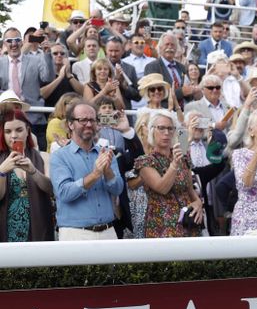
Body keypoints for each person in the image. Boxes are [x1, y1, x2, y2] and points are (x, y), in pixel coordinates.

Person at [49, 100, 124, 240]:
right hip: (75, 233)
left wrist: (108, 173)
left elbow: (118, 189)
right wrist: (95, 175)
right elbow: (64, 193)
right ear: (70, 124)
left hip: (108, 231)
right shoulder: (59, 156)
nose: (89, 124)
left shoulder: (106, 153)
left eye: (92, 120)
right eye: (83, 120)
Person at [134, 110, 205, 238]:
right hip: (162, 228)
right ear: (151, 131)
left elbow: (190, 189)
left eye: (170, 128)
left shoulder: (183, 156)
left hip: (188, 225)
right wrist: (174, 165)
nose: (166, 133)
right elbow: (162, 188)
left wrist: (198, 203)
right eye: (161, 128)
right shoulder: (145, 161)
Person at [0, 110, 54, 241]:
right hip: (7, 227)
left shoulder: (44, 157)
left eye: (19, 130)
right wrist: (1, 171)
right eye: (8, 131)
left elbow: (52, 190)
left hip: (39, 225)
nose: (13, 136)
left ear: (28, 130)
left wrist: (33, 171)